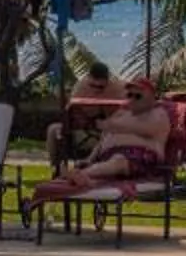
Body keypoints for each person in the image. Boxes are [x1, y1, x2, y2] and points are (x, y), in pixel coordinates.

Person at [24, 81, 176, 217]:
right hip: (112, 155)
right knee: (112, 161)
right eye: (129, 95)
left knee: (119, 162)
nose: (132, 98)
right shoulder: (123, 112)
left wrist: (116, 126)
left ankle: (79, 175)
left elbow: (147, 130)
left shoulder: (158, 114)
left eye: (138, 96)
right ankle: (81, 174)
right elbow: (104, 136)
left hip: (143, 158)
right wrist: (90, 158)